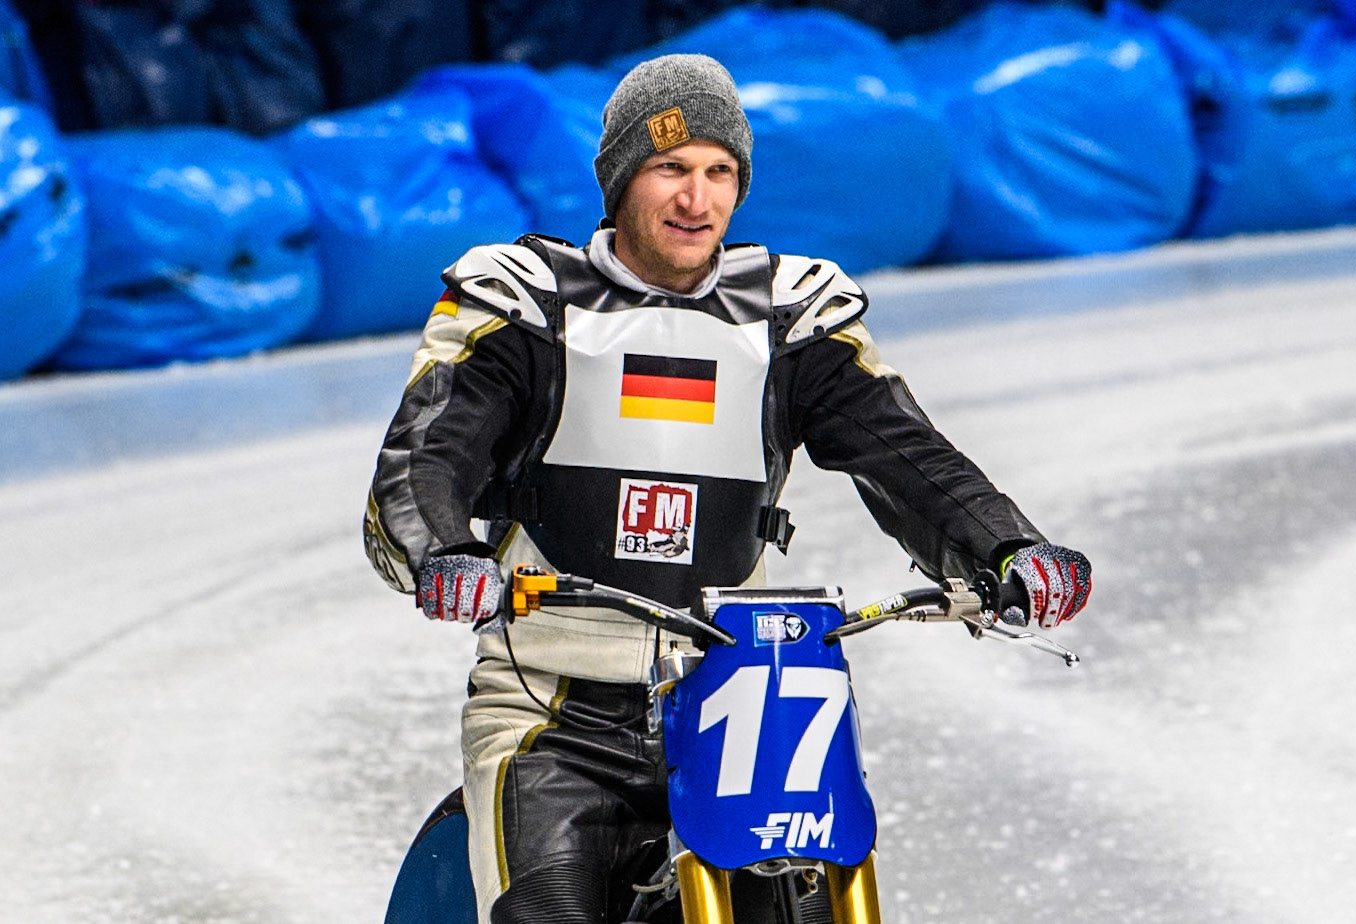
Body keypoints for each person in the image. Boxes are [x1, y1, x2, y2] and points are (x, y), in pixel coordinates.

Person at [364, 53, 1092, 924]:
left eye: (718, 172)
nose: (695, 199)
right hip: (550, 710)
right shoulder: (526, 306)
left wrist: (1008, 546)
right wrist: (442, 555)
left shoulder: (788, 316)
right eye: (669, 168)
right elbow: (423, 461)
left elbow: (907, 455)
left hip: (739, 702)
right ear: (619, 179)